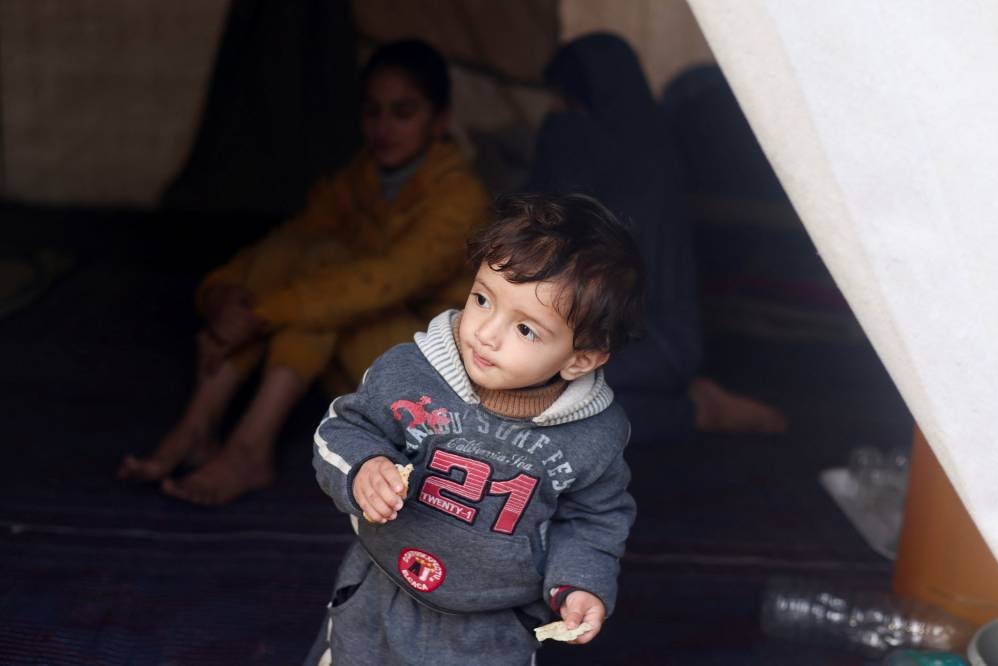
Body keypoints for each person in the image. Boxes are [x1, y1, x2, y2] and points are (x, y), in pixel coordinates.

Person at [118, 40, 490, 505]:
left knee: (324, 285)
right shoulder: (362, 177)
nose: (383, 128)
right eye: (372, 112)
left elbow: (387, 280)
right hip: (364, 348)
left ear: (439, 120)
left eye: (403, 112)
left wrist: (261, 314)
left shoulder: (460, 195)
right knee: (306, 255)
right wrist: (222, 295)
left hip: (435, 376)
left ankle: (242, 444)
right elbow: (290, 239)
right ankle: (200, 425)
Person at [305, 194, 642, 666]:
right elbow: (341, 430)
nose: (486, 332)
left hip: (493, 627)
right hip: (380, 592)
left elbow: (594, 520)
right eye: (482, 299)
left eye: (526, 330)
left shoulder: (595, 436)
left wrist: (581, 584)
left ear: (580, 358)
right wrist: (364, 468)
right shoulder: (409, 373)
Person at [527, 33, 787, 445]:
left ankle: (693, 411)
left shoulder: (635, 172)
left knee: (545, 410)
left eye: (567, 104)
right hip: (603, 343)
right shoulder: (617, 152)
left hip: (654, 344)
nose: (555, 115)